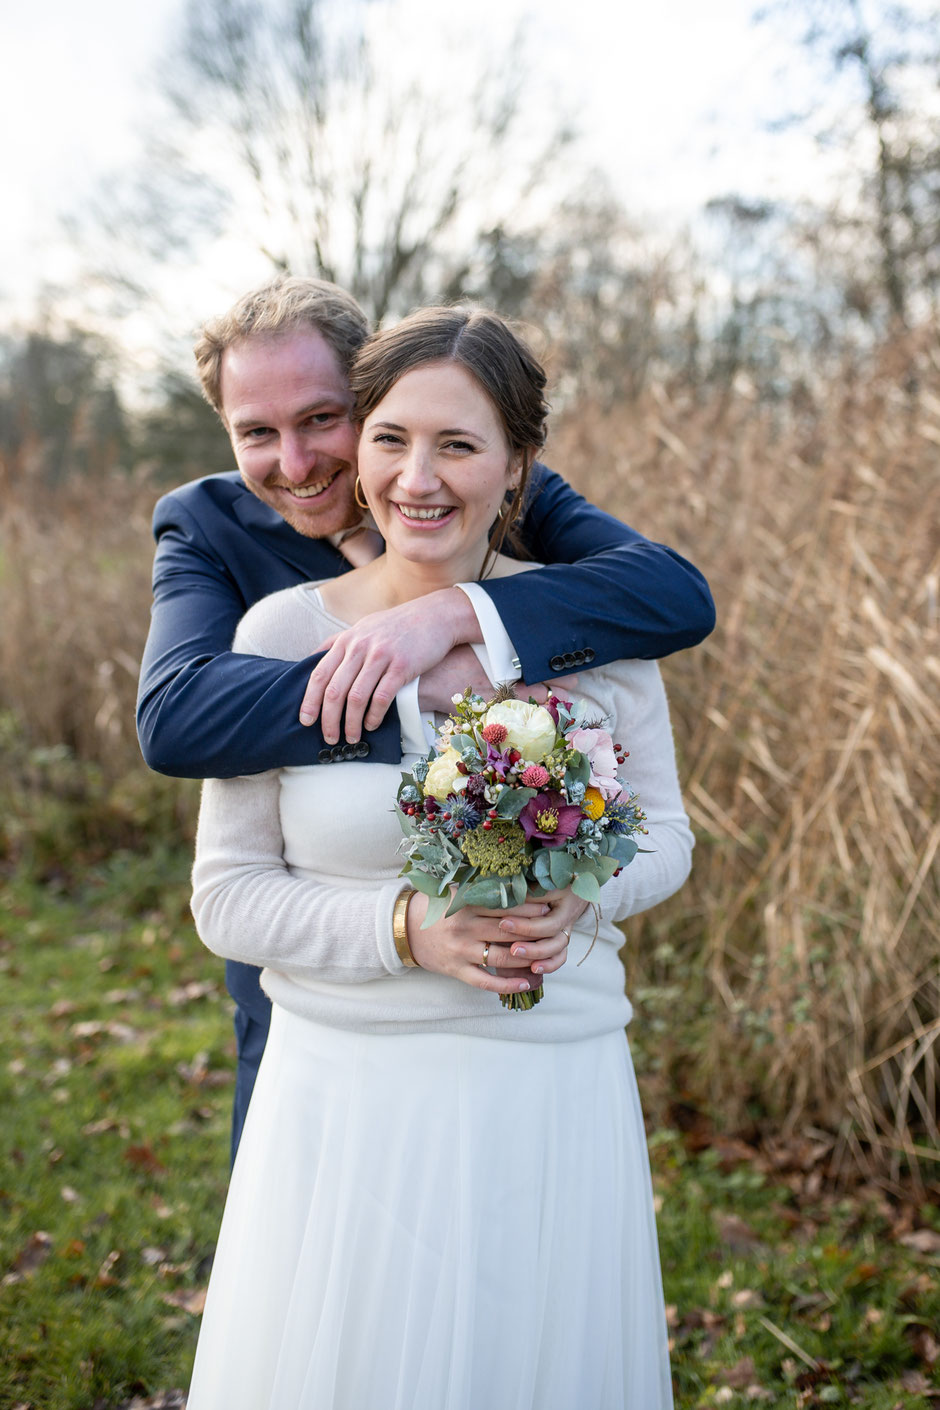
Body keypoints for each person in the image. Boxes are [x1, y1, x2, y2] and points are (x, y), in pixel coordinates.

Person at [184, 307, 693, 1409]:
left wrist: (585, 892)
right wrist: (402, 931)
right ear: (363, 451)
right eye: (392, 439)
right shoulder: (278, 633)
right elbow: (226, 899)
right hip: (348, 1092)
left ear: (516, 470)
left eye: (458, 445)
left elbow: (666, 835)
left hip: (548, 1083)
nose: (420, 476)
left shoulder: (590, 631)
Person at [136, 276, 714, 1157]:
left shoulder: (492, 487)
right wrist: (402, 689)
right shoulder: (211, 532)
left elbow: (672, 594)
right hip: (321, 989)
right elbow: (177, 719)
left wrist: (455, 619)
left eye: (321, 419)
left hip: (539, 1043)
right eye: (257, 432)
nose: (295, 464)